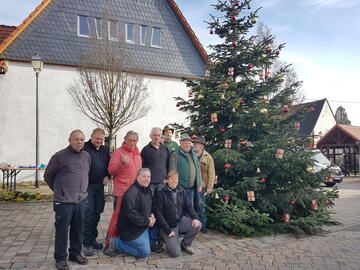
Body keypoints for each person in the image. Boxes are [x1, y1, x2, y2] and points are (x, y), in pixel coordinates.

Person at [44, 130, 91, 270]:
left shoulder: (87, 156)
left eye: (82, 139)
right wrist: (59, 191)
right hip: (64, 202)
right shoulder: (59, 156)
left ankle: (75, 253)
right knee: (62, 230)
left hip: (81, 200)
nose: (79, 142)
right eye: (76, 139)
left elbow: (86, 173)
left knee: (78, 229)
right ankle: (60, 258)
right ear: (69, 140)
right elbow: (48, 176)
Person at [107, 168, 156, 258]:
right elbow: (131, 214)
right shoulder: (132, 193)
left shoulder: (147, 190)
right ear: (137, 177)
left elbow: (149, 206)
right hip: (130, 230)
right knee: (145, 252)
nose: (147, 179)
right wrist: (147, 221)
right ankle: (116, 243)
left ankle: (145, 240)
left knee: (154, 236)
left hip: (141, 224)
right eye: (144, 176)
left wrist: (151, 215)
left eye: (148, 176)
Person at [105, 131, 142, 247]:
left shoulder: (137, 153)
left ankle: (125, 239)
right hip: (122, 191)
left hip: (135, 192)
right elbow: (111, 171)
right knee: (118, 218)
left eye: (135, 140)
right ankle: (110, 242)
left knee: (131, 218)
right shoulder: (118, 153)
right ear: (125, 139)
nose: (133, 142)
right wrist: (121, 163)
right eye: (130, 140)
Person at [155, 171, 202, 257]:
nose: (174, 181)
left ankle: (185, 243)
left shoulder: (181, 191)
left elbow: (189, 206)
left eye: (176, 179)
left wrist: (195, 218)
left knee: (198, 225)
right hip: (168, 226)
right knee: (175, 253)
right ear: (167, 181)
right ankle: (162, 236)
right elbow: (158, 214)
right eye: (172, 179)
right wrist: (167, 230)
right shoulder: (161, 193)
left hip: (180, 222)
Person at [82, 128, 111, 256]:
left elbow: (110, 166)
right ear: (91, 136)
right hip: (87, 186)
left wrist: (108, 175)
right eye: (97, 138)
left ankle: (93, 239)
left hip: (100, 186)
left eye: (101, 139)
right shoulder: (84, 148)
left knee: (97, 213)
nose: (99, 141)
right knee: (87, 215)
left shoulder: (105, 150)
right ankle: (86, 243)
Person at [169, 133, 202, 206]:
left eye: (189, 143)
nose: (187, 145)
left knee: (190, 208)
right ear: (180, 144)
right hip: (180, 188)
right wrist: (174, 186)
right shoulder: (175, 154)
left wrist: (199, 184)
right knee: (179, 207)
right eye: (185, 143)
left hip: (191, 188)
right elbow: (172, 171)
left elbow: (198, 170)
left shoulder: (193, 154)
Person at [192, 136, 215, 233]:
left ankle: (203, 225)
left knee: (201, 206)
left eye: (197, 144)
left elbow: (212, 173)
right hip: (190, 185)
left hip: (202, 186)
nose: (195, 145)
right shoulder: (190, 154)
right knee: (190, 206)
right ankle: (191, 226)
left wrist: (210, 187)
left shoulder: (208, 157)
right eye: (195, 143)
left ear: (202, 146)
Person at [141, 127, 169, 195]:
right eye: (154, 135)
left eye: (158, 135)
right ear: (150, 136)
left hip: (162, 182)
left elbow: (168, 164)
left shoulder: (165, 149)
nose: (156, 137)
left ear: (161, 137)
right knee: (150, 204)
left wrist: (167, 179)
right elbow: (142, 167)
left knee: (161, 204)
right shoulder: (145, 150)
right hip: (150, 184)